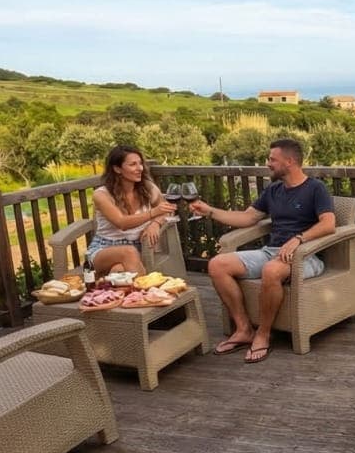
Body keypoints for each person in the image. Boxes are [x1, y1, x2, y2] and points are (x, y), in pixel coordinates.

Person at [190, 137, 335, 363]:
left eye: (272, 159)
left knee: (271, 270)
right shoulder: (274, 190)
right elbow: (247, 218)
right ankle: (243, 329)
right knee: (217, 264)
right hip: (271, 252)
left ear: (289, 161)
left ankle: (263, 333)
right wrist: (209, 211)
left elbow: (329, 224)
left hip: (306, 256)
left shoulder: (316, 188)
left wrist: (298, 239)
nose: (268, 164)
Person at [85, 145, 176, 277]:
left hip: (139, 247)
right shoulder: (102, 194)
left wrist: (156, 223)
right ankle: (146, 288)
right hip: (104, 249)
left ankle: (127, 289)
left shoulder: (147, 188)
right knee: (129, 252)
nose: (140, 168)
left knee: (119, 270)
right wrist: (153, 213)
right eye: (133, 164)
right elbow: (122, 223)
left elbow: (167, 210)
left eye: (140, 163)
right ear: (117, 169)